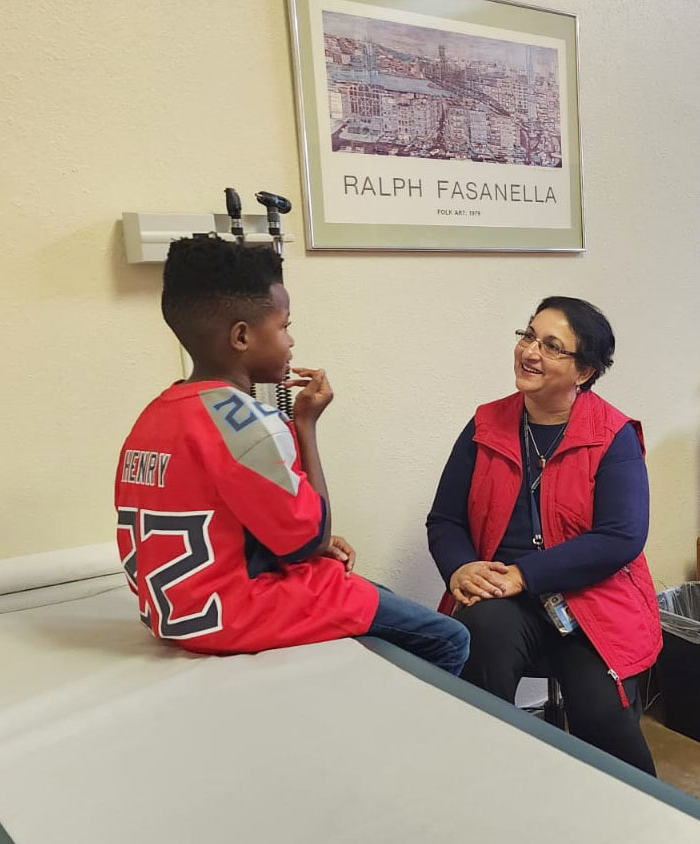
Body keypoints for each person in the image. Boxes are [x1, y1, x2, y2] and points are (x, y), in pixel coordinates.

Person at [115, 233, 468, 674]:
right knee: (449, 638)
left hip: (178, 613)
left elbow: (229, 520)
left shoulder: (155, 416)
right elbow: (308, 541)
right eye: (283, 326)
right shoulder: (246, 423)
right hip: (238, 613)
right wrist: (306, 425)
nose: (291, 341)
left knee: (377, 596)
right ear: (241, 336)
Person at [426, 296, 662, 773]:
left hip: (590, 599)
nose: (530, 351)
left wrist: (523, 574)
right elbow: (445, 520)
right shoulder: (485, 423)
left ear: (583, 372)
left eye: (552, 346)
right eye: (528, 336)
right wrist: (462, 567)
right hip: (504, 600)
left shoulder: (612, 435)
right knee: (478, 649)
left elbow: (621, 537)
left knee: (603, 724)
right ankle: (487, 788)